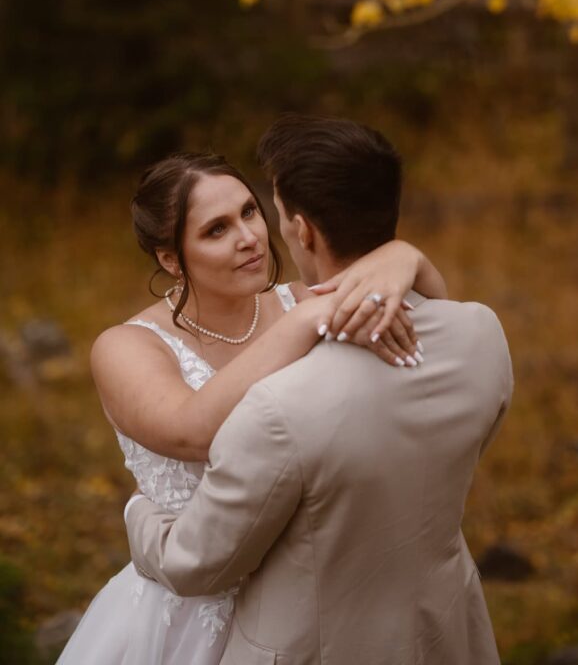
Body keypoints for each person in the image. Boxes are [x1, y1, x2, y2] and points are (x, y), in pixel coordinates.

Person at [126, 117, 514, 665]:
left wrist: (138, 515)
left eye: (262, 214)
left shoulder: (276, 406)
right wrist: (404, 256)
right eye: (216, 229)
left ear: (302, 231)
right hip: (445, 632)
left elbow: (195, 563)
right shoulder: (482, 334)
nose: (252, 237)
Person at [57, 149, 447, 665]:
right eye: (215, 230)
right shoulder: (127, 346)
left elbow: (439, 326)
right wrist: (304, 323)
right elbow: (190, 430)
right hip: (185, 614)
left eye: (248, 212)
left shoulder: (308, 300)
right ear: (171, 259)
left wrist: (406, 258)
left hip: (311, 604)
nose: (248, 237)